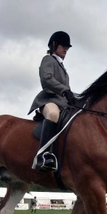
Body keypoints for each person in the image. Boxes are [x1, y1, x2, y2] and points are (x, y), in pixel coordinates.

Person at [28, 31, 77, 172]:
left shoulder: (62, 66)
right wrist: (64, 90)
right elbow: (47, 79)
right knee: (53, 115)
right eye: (63, 46)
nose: (66, 49)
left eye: (67, 47)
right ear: (54, 45)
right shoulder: (48, 60)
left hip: (63, 103)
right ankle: (42, 156)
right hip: (49, 100)